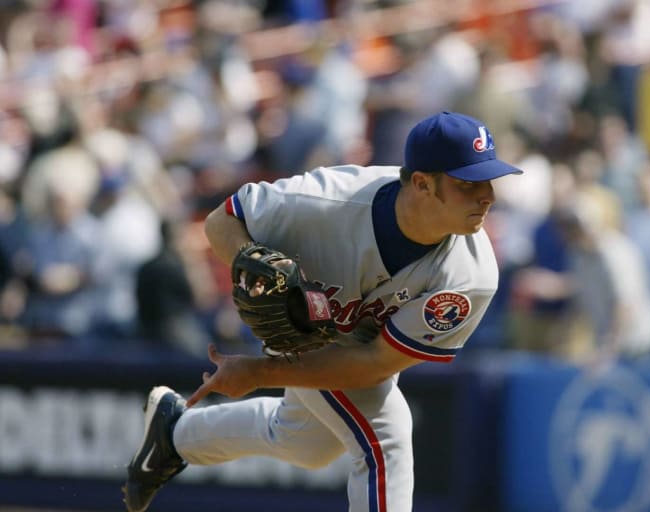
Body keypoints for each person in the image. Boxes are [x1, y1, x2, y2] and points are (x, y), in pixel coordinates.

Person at [122, 111, 523, 512]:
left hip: (360, 346)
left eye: (489, 181)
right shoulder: (325, 200)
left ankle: (176, 431)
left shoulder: (472, 273)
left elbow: (373, 363)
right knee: (387, 436)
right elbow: (220, 222)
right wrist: (251, 260)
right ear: (421, 183)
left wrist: (259, 372)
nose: (486, 195)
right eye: (467, 184)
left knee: (303, 443)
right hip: (298, 324)